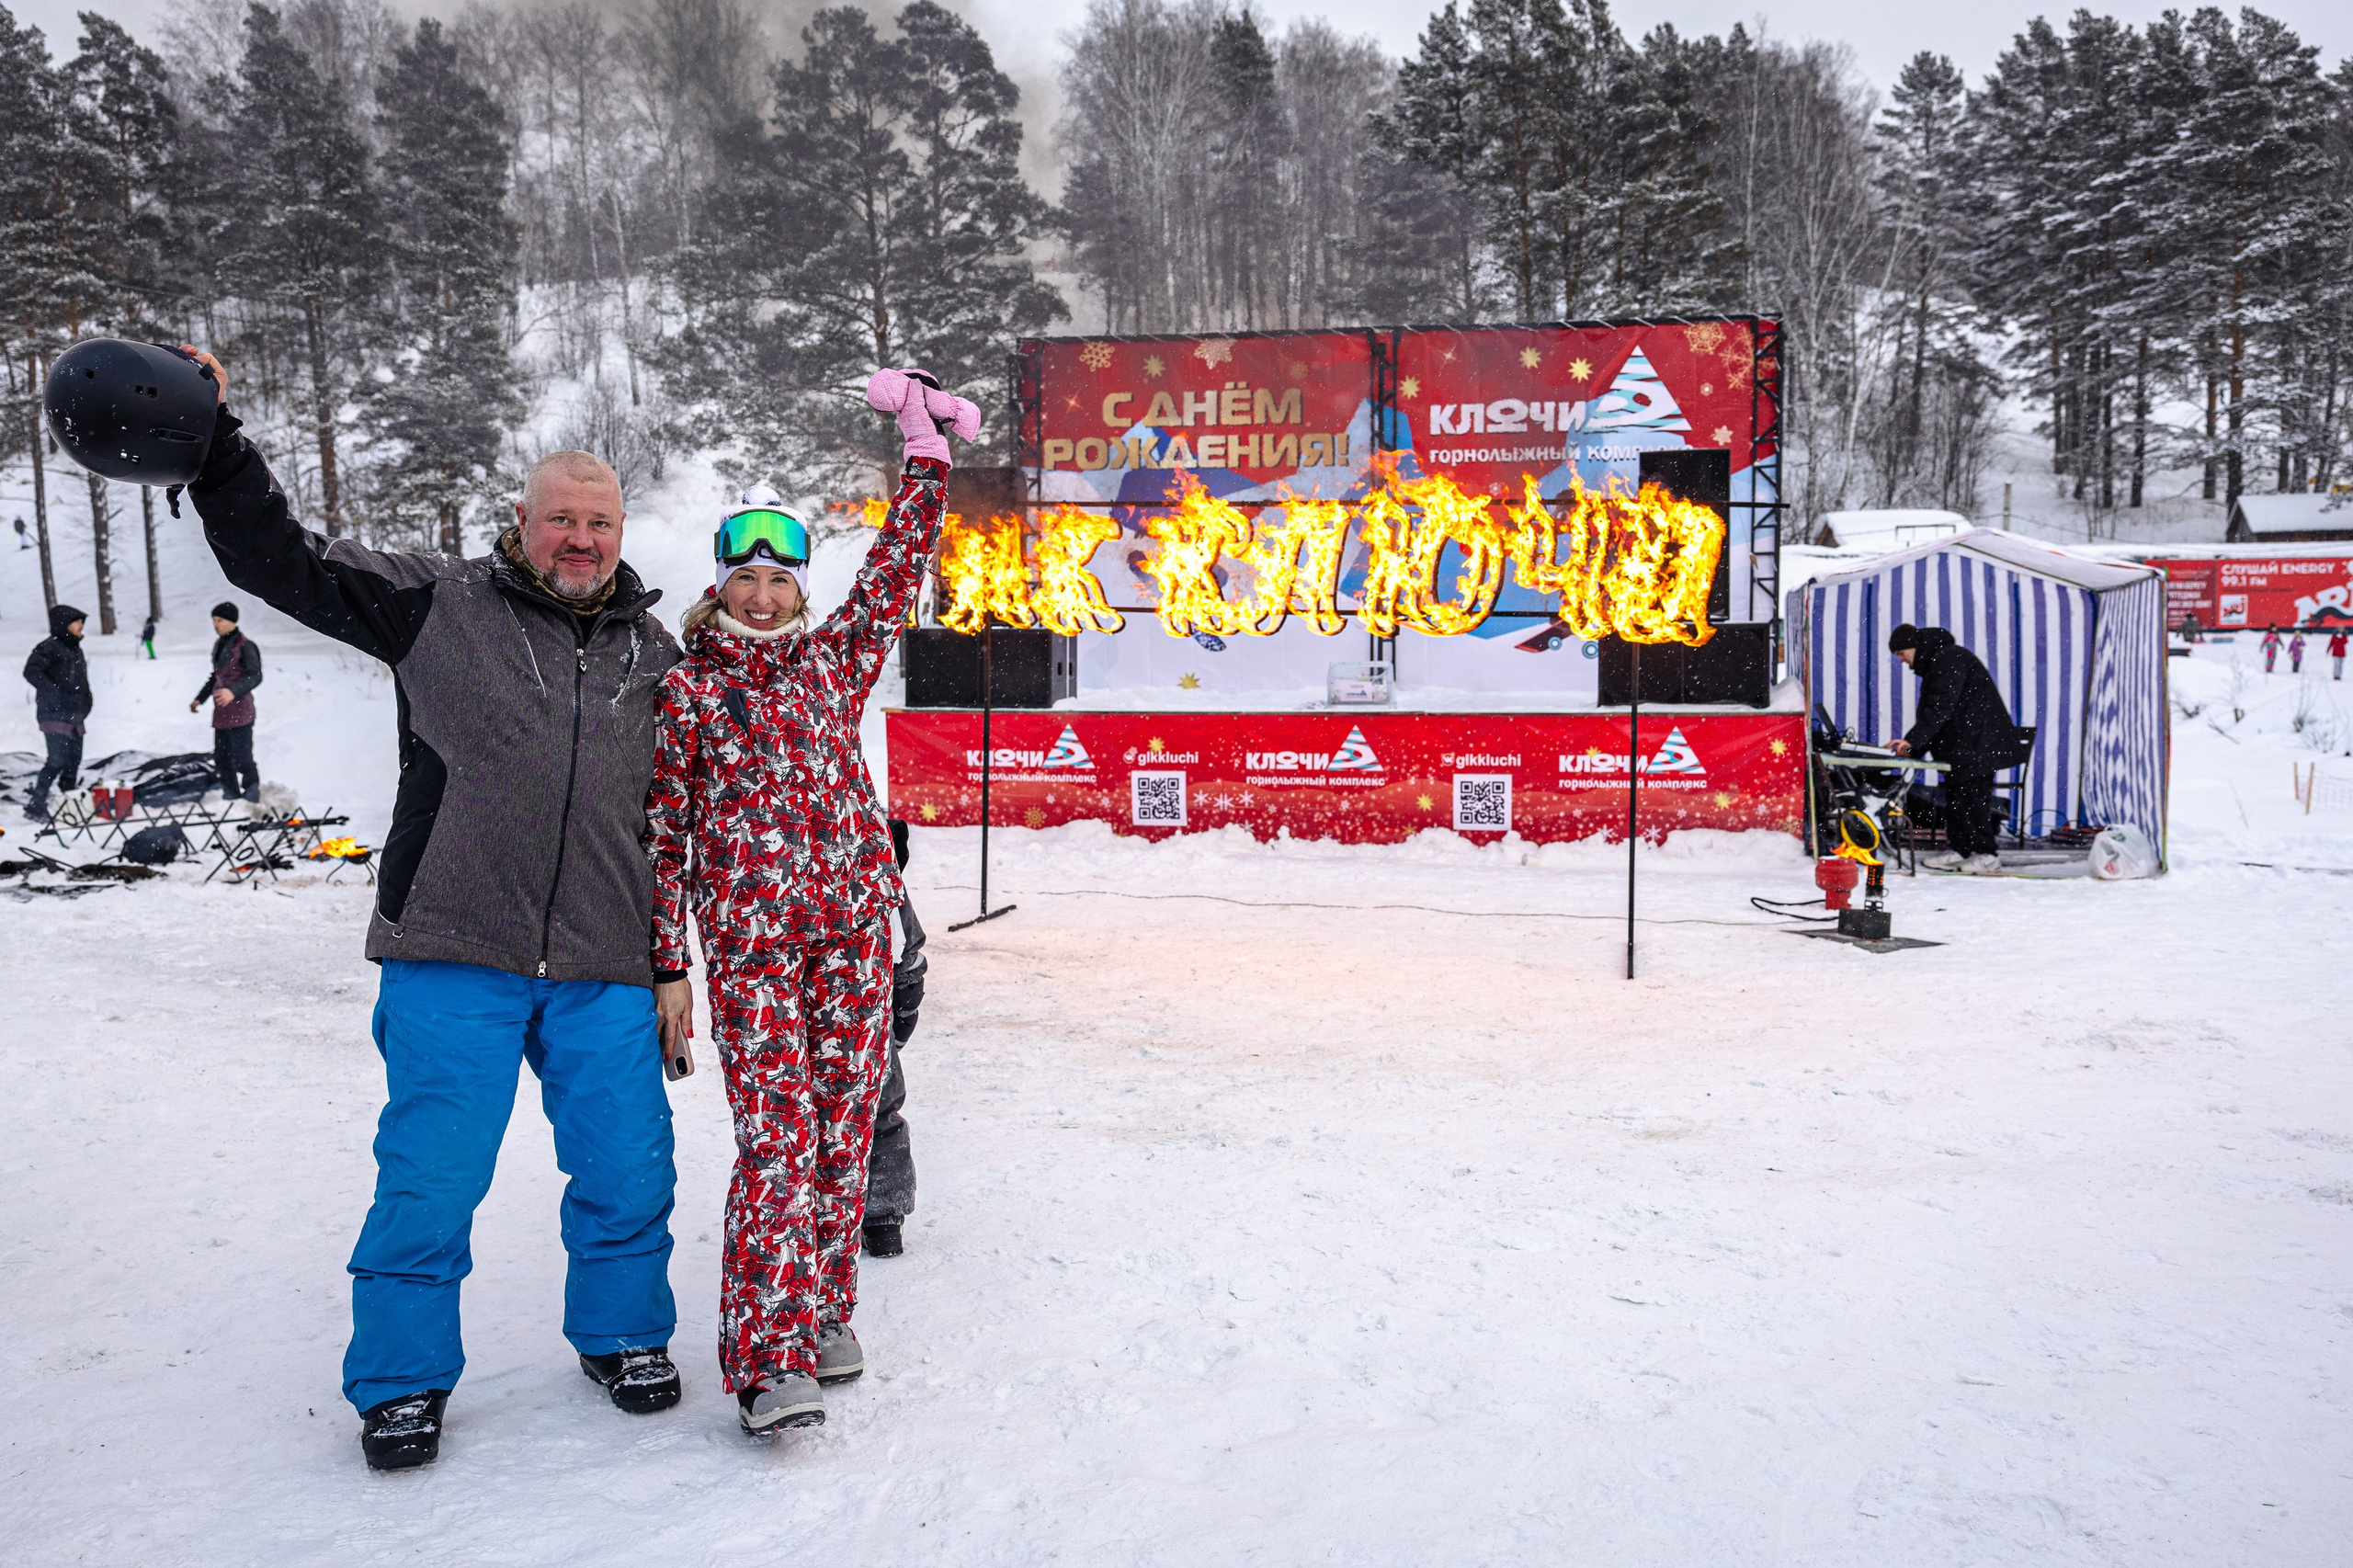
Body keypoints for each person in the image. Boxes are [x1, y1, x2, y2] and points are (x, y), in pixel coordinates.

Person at [176, 347, 689, 1472]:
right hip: (457, 943)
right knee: (432, 1174)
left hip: (605, 954)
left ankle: (622, 1334)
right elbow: (287, 562)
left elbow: (695, 804)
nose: (582, 541)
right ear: (524, 517)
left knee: (629, 1163)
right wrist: (215, 441)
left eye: (599, 523)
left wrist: (674, 961)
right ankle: (402, 1377)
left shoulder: (656, 652)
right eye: (561, 518)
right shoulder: (437, 603)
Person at [645, 367, 973, 1436]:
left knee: (841, 1133)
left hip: (852, 938)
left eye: (779, 577)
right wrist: (668, 965)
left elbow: (895, 566)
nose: (760, 593)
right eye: (742, 576)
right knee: (778, 1141)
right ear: (716, 587)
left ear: (800, 591)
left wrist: (926, 458)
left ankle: (826, 1310)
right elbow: (661, 836)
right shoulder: (689, 688)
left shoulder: (834, 666)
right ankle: (768, 1356)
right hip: (750, 954)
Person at [1885, 623, 2028, 875]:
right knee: (1958, 799)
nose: (1901, 660)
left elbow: (1940, 707)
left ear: (1913, 646)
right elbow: (1938, 711)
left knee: (1974, 799)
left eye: (1900, 653)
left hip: (1977, 745)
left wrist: (1913, 742)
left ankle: (1987, 854)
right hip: (1965, 745)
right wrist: (1912, 747)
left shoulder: (1947, 658)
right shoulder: (1941, 659)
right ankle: (1961, 850)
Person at [864, 818, 929, 1259]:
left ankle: (874, 1217)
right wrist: (900, 1024)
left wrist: (899, 1020)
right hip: (872, 1026)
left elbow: (909, 964)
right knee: (881, 1113)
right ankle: (883, 1217)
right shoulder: (892, 898)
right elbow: (910, 960)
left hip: (853, 1019)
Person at [22, 603, 92, 820]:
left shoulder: (75, 649)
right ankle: (36, 805)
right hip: (53, 714)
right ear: (64, 624)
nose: (81, 625)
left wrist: (88, 699)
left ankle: (68, 804)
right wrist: (52, 693)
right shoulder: (49, 646)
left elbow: (81, 680)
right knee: (57, 760)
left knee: (74, 760)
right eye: (77, 621)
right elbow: (31, 671)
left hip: (74, 714)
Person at [189, 602, 263, 801]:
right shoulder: (219, 644)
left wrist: (232, 692)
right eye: (214, 621)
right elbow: (215, 676)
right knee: (222, 758)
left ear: (232, 621)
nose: (216, 625)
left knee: (243, 757)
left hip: (241, 710)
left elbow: (255, 676)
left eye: (220, 620)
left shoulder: (246, 645)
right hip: (221, 711)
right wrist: (199, 698)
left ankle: (252, 791)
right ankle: (230, 793)